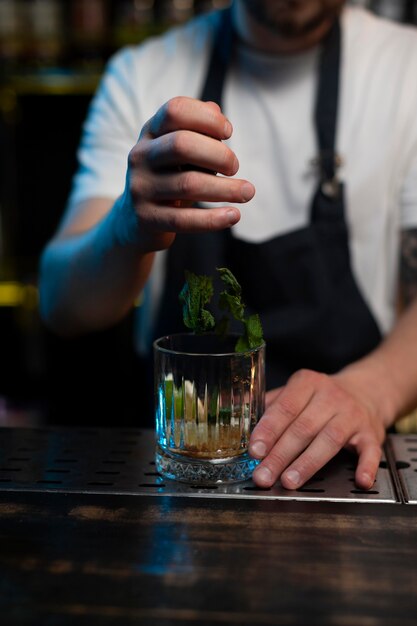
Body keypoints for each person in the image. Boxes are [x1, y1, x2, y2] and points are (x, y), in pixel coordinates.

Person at [38, 0, 417, 491]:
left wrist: (370, 390)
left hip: (345, 468)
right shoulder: (142, 73)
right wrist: (126, 228)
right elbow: (62, 304)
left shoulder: (405, 69)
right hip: (180, 471)